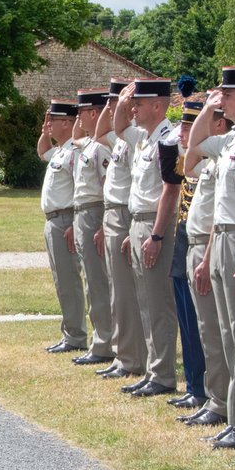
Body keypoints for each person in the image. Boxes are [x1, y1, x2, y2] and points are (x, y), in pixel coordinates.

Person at [185, 67, 235, 449]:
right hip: (221, 235)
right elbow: (196, 145)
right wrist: (206, 107)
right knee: (227, 332)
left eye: (229, 94)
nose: (223, 100)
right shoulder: (233, 138)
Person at [115, 78, 180, 397]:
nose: (133, 109)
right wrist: (121, 103)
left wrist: (155, 235)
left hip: (156, 226)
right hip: (138, 222)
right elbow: (117, 128)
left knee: (158, 302)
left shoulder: (168, 139)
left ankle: (164, 374)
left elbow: (171, 190)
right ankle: (155, 369)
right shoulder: (143, 137)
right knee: (144, 300)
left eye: (138, 104)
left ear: (158, 105)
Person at [179, 104, 233, 427]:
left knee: (217, 331)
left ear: (220, 124)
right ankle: (217, 398)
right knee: (207, 330)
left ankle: (222, 401)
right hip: (197, 245)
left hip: (209, 247)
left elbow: (218, 217)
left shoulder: (227, 154)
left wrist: (209, 256)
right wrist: (208, 110)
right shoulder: (213, 159)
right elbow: (188, 160)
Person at [93, 80, 147, 380]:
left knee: (127, 291)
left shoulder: (133, 139)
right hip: (114, 213)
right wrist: (114, 102)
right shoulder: (120, 138)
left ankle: (131, 357)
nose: (115, 109)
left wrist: (121, 106)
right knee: (118, 290)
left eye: (124, 104)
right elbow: (100, 132)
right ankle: (123, 352)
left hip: (126, 213)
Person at [160, 99, 207, 412]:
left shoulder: (205, 161)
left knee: (202, 322)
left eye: (190, 126)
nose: (183, 133)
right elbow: (167, 148)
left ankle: (203, 388)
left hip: (200, 239)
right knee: (186, 320)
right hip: (183, 237)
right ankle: (193, 385)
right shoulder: (187, 158)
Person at [38, 99, 86, 354]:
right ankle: (70, 333)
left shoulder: (75, 152)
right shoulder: (61, 151)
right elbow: (42, 151)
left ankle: (76, 336)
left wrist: (75, 223)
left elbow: (83, 188)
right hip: (54, 220)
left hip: (66, 219)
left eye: (53, 121)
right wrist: (44, 131)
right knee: (61, 280)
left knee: (69, 280)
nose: (49, 125)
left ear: (67, 122)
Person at [70, 89, 114, 365]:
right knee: (90, 281)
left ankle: (104, 342)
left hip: (95, 212)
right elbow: (75, 136)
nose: (78, 116)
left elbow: (106, 187)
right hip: (81, 213)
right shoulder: (86, 144)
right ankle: (100, 338)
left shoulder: (101, 148)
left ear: (95, 113)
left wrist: (101, 226)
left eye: (83, 111)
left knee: (98, 282)